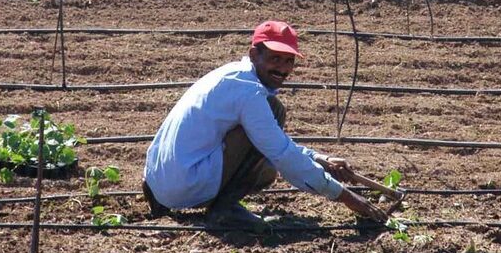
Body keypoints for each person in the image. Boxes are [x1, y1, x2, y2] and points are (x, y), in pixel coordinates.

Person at [142, 20, 387, 226]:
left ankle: (166, 196)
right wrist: (347, 197)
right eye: (274, 59)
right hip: (185, 184)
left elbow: (275, 142)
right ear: (254, 54)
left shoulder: (231, 74)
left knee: (266, 166)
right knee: (273, 117)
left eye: (289, 60)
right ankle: (224, 209)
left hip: (159, 182)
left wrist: (319, 158)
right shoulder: (249, 93)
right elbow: (280, 152)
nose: (282, 68)